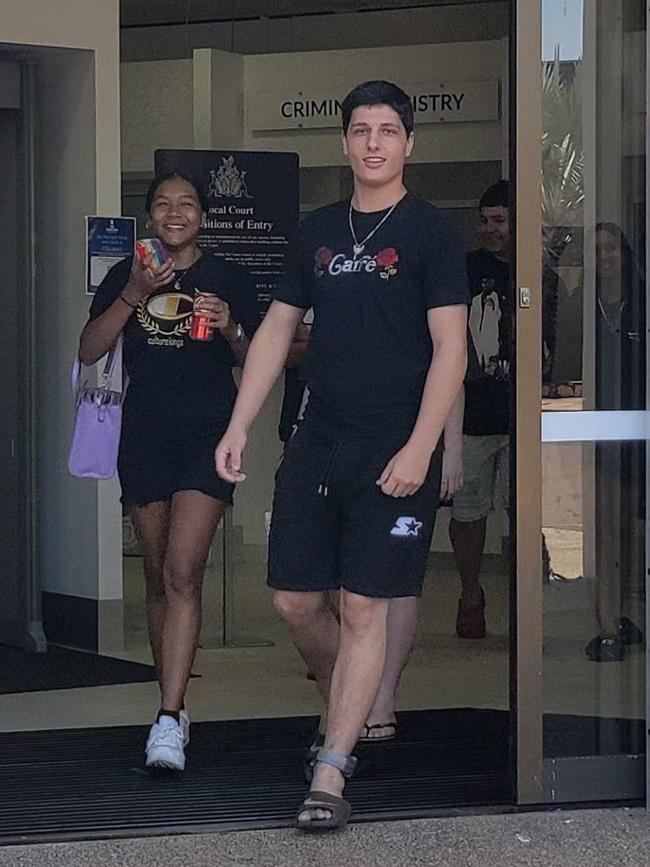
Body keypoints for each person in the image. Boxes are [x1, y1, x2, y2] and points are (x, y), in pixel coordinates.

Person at [216, 80, 469, 831]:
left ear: (409, 144)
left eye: (388, 130)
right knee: (296, 600)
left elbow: (451, 347)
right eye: (361, 129)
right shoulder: (317, 230)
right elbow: (273, 332)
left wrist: (424, 448)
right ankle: (349, 711)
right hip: (318, 440)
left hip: (397, 445)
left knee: (364, 605)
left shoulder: (430, 232)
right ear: (346, 142)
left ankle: (332, 767)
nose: (373, 142)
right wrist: (239, 423)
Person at [78, 171, 258, 770]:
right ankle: (173, 707)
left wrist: (231, 324)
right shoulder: (128, 274)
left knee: (184, 572)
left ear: (202, 215)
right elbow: (89, 349)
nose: (174, 213)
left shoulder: (226, 275)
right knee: (158, 578)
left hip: (207, 438)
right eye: (163, 204)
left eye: (186, 204)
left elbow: (259, 357)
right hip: (145, 438)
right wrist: (132, 290)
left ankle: (165, 720)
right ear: (150, 215)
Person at [450, 180, 558, 639]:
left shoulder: (545, 274)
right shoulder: (466, 269)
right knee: (468, 510)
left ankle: (525, 603)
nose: (489, 230)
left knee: (525, 511)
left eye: (500, 221)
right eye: (485, 220)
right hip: (474, 412)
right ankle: (470, 593)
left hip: (527, 413)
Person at [586, 222, 645, 661]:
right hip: (597, 431)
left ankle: (622, 615)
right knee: (606, 530)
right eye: (596, 251)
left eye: (610, 249)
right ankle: (608, 627)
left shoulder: (642, 303)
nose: (604, 257)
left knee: (628, 528)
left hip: (638, 428)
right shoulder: (578, 304)